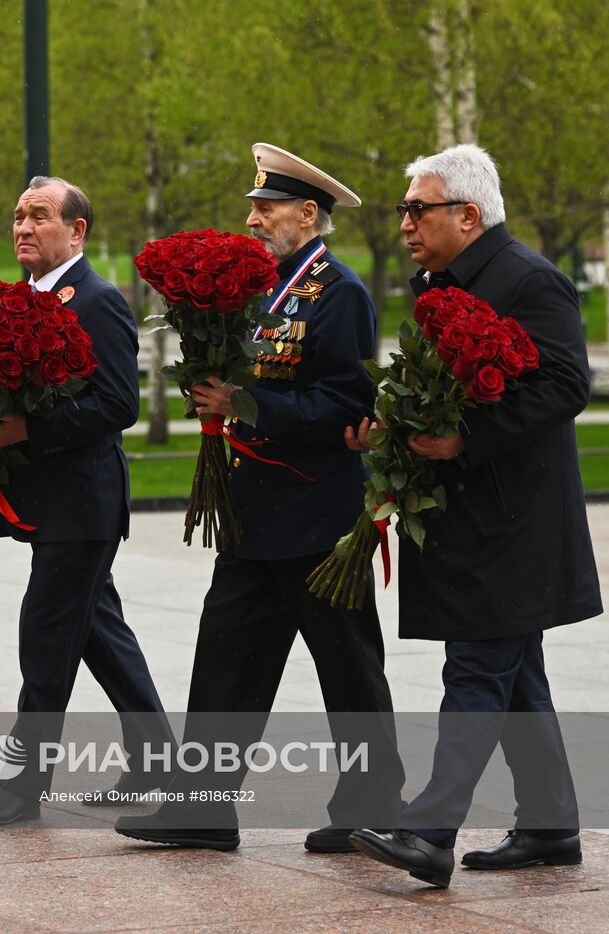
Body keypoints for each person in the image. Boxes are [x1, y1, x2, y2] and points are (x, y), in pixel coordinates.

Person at [115, 143, 404, 851]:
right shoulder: (259, 289)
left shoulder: (338, 291)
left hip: (316, 514)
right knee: (225, 659)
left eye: (266, 207)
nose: (252, 218)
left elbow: (344, 404)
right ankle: (203, 809)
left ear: (308, 214)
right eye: (253, 206)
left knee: (347, 667)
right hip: (253, 508)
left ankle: (374, 805)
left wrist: (245, 404)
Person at [347, 144, 600, 888]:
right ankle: (551, 823)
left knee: (478, 668)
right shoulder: (443, 282)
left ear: (468, 213)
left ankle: (429, 832)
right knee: (514, 675)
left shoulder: (528, 279)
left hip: (514, 521)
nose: (404, 226)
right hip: (475, 515)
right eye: (403, 211)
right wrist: (391, 434)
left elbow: (566, 385)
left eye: (416, 210)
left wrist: (465, 439)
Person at [0, 176, 173, 826]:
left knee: (45, 638)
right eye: (18, 215)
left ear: (76, 231)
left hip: (82, 504)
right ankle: (156, 757)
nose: (23, 226)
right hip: (50, 501)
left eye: (40, 216)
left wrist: (28, 432)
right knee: (98, 634)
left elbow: (118, 404)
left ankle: (22, 789)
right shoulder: (22, 300)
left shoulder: (96, 301)